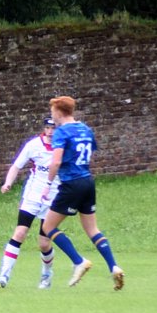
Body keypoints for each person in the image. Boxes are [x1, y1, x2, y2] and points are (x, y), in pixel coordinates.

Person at [37, 95, 124, 290]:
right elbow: (89, 152)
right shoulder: (85, 129)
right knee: (93, 229)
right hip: (87, 181)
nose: (52, 115)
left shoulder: (61, 132)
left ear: (59, 112)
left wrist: (48, 184)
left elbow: (56, 161)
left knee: (48, 227)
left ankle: (78, 261)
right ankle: (114, 266)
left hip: (71, 183)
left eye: (52, 112)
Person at [0, 116, 59, 288]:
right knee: (20, 233)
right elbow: (16, 166)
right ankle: (3, 276)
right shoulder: (33, 145)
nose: (50, 132)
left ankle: (46, 274)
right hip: (33, 195)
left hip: (52, 197)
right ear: (44, 129)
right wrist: (8, 183)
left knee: (44, 243)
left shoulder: (62, 147)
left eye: (54, 128)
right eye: (48, 128)